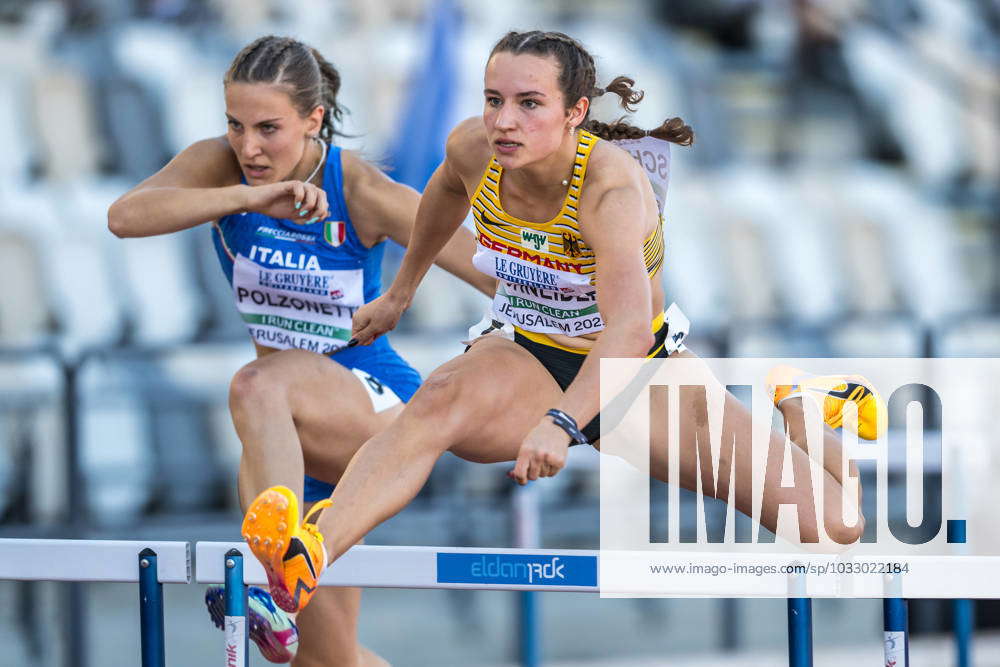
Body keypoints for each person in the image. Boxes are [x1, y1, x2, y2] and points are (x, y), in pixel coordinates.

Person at [239, 30, 873, 618]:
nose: (504, 120)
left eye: (529, 104)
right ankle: (306, 559)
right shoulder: (475, 147)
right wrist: (402, 292)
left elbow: (628, 329)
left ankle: (800, 413)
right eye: (494, 100)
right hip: (529, 350)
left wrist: (564, 423)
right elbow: (441, 195)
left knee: (834, 529)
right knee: (438, 401)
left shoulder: (611, 192)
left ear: (575, 114)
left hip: (634, 372)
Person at [108, 35, 495, 666]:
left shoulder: (360, 189)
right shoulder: (225, 169)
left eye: (269, 129)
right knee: (324, 660)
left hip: (374, 409)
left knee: (256, 383)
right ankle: (280, 574)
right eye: (235, 126)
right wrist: (248, 196)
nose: (249, 147)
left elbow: (494, 270)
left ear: (314, 119)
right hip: (288, 441)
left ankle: (274, 574)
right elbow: (126, 216)